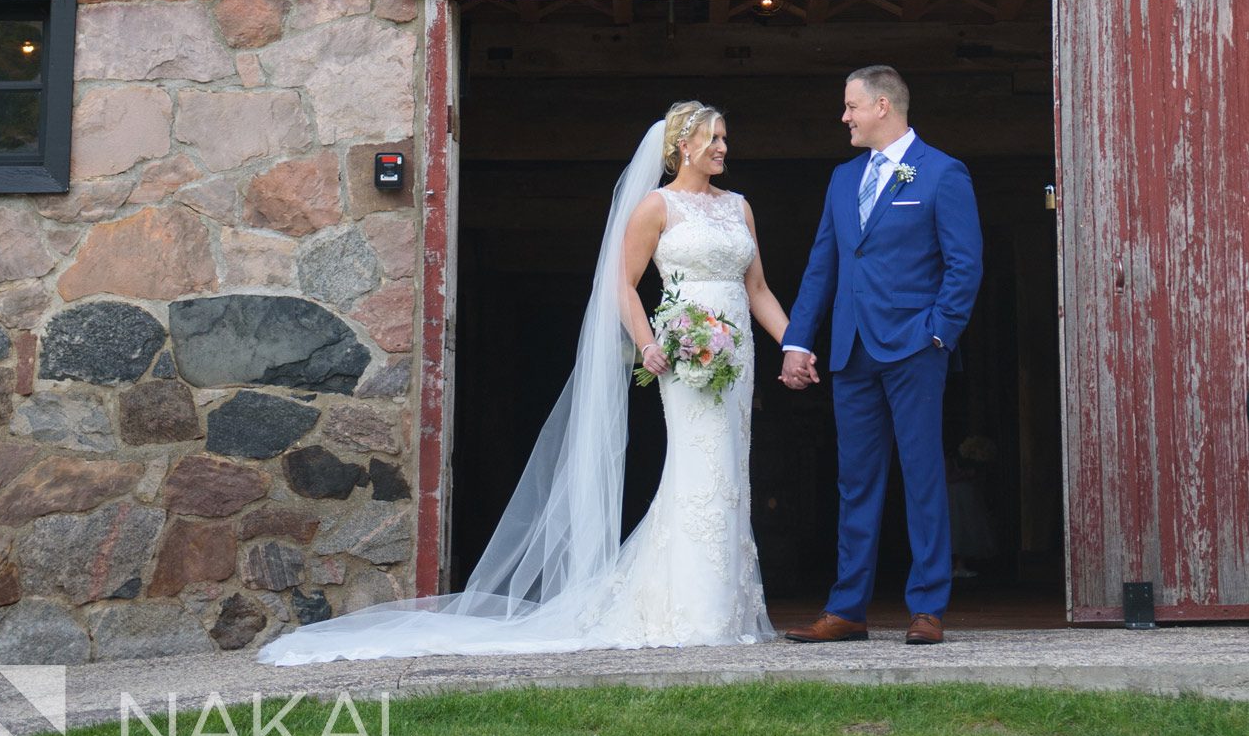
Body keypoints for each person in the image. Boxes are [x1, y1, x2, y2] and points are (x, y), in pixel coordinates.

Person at [258, 100, 786, 662]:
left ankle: (726, 606)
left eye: (725, 138)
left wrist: (794, 343)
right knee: (697, 469)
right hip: (683, 359)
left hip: (736, 359)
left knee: (732, 471)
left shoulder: (739, 209)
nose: (725, 148)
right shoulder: (657, 207)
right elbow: (623, 285)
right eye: (715, 139)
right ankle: (694, 610)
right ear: (685, 146)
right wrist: (650, 343)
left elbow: (756, 289)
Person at [779, 65, 983, 646]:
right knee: (855, 482)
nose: (844, 117)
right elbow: (824, 264)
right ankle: (847, 609)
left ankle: (927, 608)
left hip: (915, 349)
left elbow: (965, 266)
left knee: (923, 477)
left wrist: (938, 334)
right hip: (852, 352)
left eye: (851, 106)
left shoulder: (943, 174)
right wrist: (798, 339)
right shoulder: (843, 180)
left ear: (883, 106)